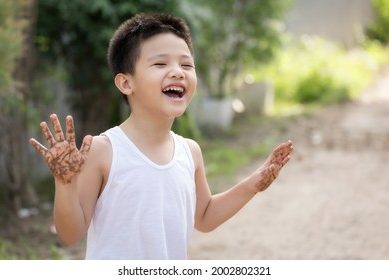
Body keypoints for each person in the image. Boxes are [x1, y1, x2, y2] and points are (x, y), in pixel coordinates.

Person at [30, 12, 293, 260]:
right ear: (125, 83)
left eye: (187, 64)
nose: (178, 71)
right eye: (160, 63)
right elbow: (71, 233)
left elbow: (203, 216)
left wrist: (253, 184)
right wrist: (65, 184)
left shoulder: (190, 152)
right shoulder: (103, 150)